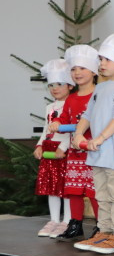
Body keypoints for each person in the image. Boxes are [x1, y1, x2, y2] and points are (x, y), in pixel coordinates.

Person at [71, 33, 114, 255]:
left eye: (107, 59)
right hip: (96, 151)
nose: (101, 63)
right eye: (101, 59)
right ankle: (105, 231)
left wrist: (99, 138)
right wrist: (79, 134)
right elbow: (87, 114)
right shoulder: (100, 88)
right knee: (101, 194)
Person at [52, 44, 100, 243]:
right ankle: (75, 224)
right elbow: (64, 118)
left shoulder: (99, 94)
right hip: (75, 153)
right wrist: (58, 122)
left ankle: (101, 225)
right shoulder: (71, 99)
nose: (77, 72)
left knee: (95, 191)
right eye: (73, 69)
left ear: (94, 71)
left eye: (82, 68)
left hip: (94, 151)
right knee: (74, 190)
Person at [34, 59, 74, 237]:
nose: (54, 88)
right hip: (49, 150)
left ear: (70, 85)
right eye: (51, 85)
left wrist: (63, 148)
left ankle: (67, 221)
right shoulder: (49, 107)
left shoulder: (72, 104)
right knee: (51, 187)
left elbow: (73, 130)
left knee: (66, 188)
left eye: (59, 84)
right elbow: (46, 129)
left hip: (64, 151)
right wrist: (39, 145)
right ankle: (54, 220)